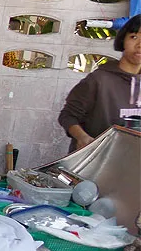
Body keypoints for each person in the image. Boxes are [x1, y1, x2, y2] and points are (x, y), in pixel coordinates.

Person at [59, 14, 141, 152]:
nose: (139, 45)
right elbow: (67, 116)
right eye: (134, 37)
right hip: (95, 164)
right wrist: (82, 137)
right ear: (123, 40)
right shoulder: (98, 80)